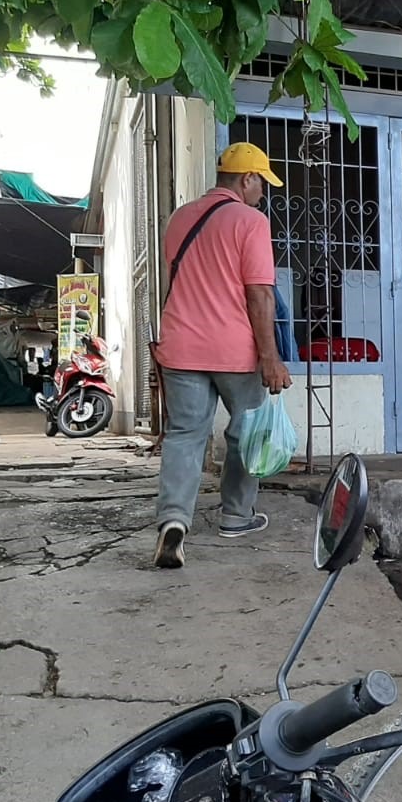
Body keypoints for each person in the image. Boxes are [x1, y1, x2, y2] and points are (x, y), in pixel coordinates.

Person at [153, 142, 292, 570]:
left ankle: (174, 521)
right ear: (247, 179)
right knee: (246, 434)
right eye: (262, 184)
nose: (263, 193)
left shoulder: (179, 218)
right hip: (233, 349)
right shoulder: (250, 221)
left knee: (184, 435)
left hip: (179, 346)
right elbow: (259, 294)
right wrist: (271, 356)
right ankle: (235, 515)